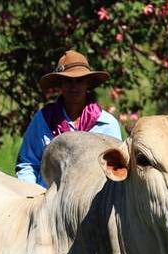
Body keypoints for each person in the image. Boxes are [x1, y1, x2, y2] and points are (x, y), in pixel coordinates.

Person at [16, 50, 122, 187]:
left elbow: (116, 170)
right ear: (60, 84)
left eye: (80, 81)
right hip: (47, 202)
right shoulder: (43, 119)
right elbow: (27, 163)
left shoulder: (107, 124)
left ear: (87, 84)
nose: (74, 87)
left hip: (93, 204)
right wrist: (31, 193)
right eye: (68, 81)